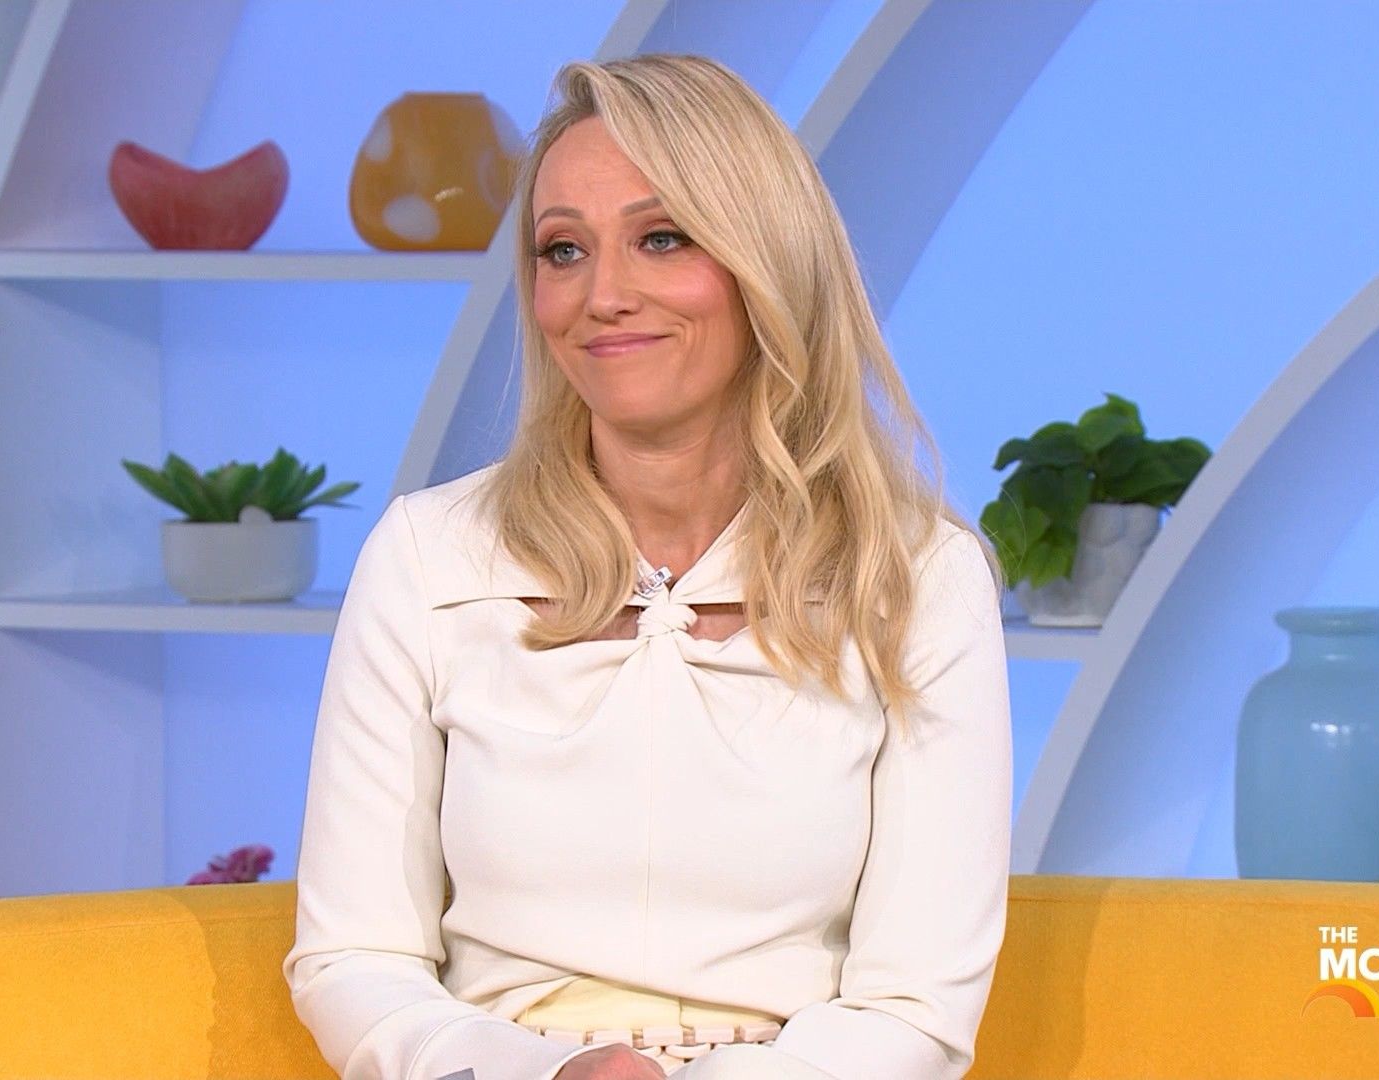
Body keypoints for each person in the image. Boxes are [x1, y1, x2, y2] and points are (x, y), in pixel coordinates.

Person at [283, 53, 1012, 1080]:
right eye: (563, 250)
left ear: (767, 262)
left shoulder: (919, 577)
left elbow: (915, 1010)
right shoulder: (427, 557)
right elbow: (353, 958)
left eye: (661, 238)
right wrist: (548, 1074)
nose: (603, 296)